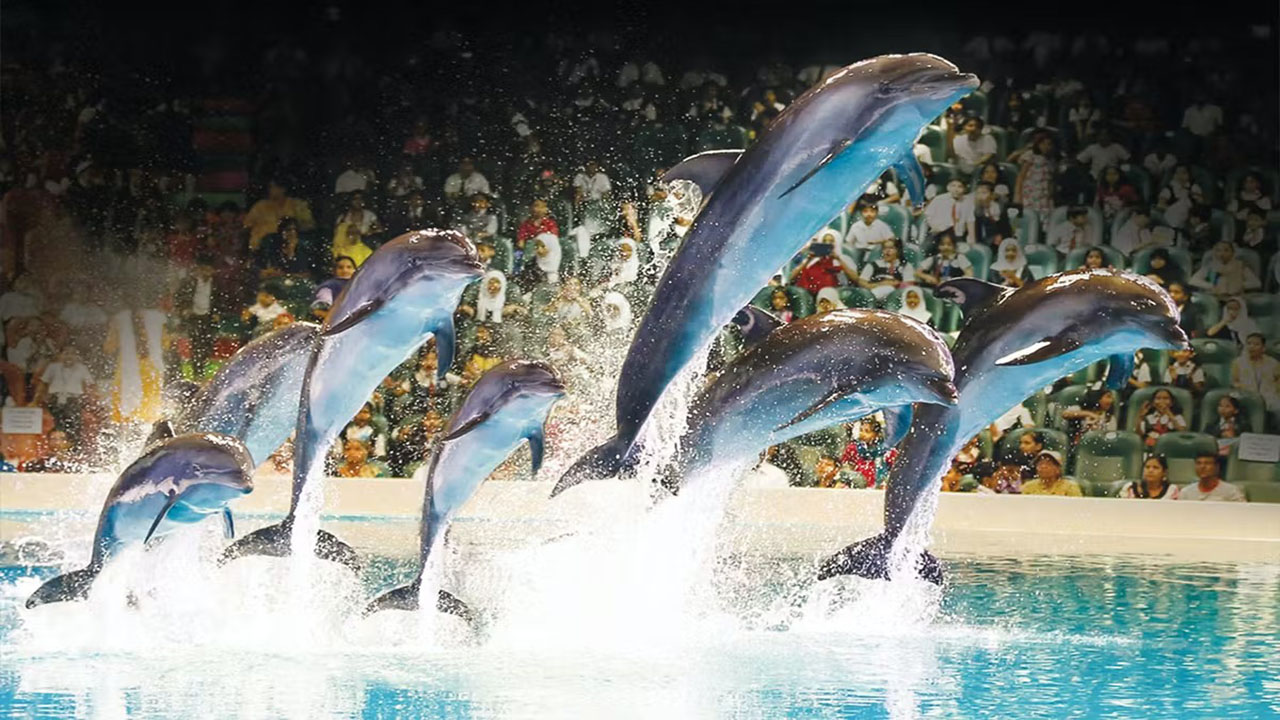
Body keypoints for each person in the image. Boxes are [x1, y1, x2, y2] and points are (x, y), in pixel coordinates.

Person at [32, 345, 93, 441]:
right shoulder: (53, 367)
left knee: (74, 426)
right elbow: (43, 383)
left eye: (72, 354)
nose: (69, 356)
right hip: (55, 399)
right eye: (66, 353)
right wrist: (37, 398)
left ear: (76, 356)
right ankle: (55, 446)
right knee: (55, 425)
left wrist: (89, 400)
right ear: (60, 355)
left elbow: (90, 385)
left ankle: (73, 446)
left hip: (73, 400)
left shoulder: (82, 368)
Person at [244, 179, 316, 252]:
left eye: (273, 187)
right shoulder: (260, 206)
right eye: (270, 187)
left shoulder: (297, 204)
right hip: (264, 245)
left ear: (282, 189)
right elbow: (247, 225)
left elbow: (309, 224)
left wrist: (291, 227)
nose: (270, 190)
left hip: (292, 242)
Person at [791, 231, 860, 295]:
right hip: (811, 293)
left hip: (836, 293)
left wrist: (838, 259)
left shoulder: (844, 259)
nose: (827, 243)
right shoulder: (813, 260)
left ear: (837, 242)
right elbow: (791, 277)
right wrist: (808, 259)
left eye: (831, 241)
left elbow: (855, 279)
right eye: (824, 241)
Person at [1010, 131, 1058, 222]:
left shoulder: (1052, 161)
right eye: (1043, 144)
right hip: (1030, 195)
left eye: (1049, 144)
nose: (1046, 147)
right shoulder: (1031, 156)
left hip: (1045, 198)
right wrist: (1017, 197)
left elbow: (1051, 180)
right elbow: (1021, 177)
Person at [1231, 333, 1280, 419]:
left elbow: (1278, 381)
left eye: (1256, 344)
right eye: (1249, 343)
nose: (1251, 347)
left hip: (1269, 399)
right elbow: (1235, 382)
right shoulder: (1238, 362)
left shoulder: (1273, 363)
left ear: (1263, 348)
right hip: (1246, 398)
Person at [840, 418, 898, 489]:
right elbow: (845, 468)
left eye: (867, 431)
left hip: (879, 489)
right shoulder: (853, 449)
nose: (862, 434)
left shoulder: (888, 452)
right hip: (857, 488)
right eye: (861, 430)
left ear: (876, 435)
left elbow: (896, 471)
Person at [1188, 242, 1261, 298]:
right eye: (1218, 250)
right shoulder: (1209, 267)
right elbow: (1193, 280)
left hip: (1235, 297)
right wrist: (1211, 286)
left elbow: (1256, 283)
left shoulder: (1241, 266)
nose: (1222, 254)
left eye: (1226, 250)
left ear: (1232, 253)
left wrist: (1240, 285)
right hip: (1214, 297)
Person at [1177, 453, 1245, 502]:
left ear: (1217, 467)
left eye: (1207, 463)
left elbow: (1242, 513)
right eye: (1198, 463)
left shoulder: (1231, 491)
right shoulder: (1186, 492)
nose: (1202, 467)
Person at [311, 256, 355, 322]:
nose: (345, 270)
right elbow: (319, 311)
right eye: (340, 268)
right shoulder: (329, 286)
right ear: (334, 271)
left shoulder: (360, 283)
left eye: (349, 267)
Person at [971, 181, 1012, 247]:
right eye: (978, 193)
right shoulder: (976, 209)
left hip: (1000, 240)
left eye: (984, 193)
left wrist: (1001, 236)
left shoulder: (999, 208)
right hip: (983, 241)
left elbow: (1006, 227)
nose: (980, 196)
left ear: (992, 194)